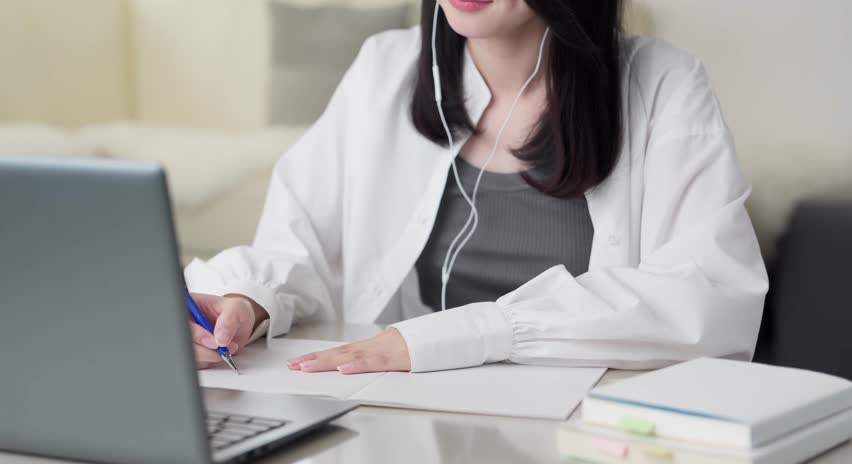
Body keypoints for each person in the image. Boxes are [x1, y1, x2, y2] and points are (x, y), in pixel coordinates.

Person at [185, 0, 768, 375]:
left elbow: (710, 300)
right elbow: (297, 244)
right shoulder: (383, 68)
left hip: (588, 429)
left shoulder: (665, 83)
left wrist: (475, 333)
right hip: (407, 413)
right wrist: (247, 299)